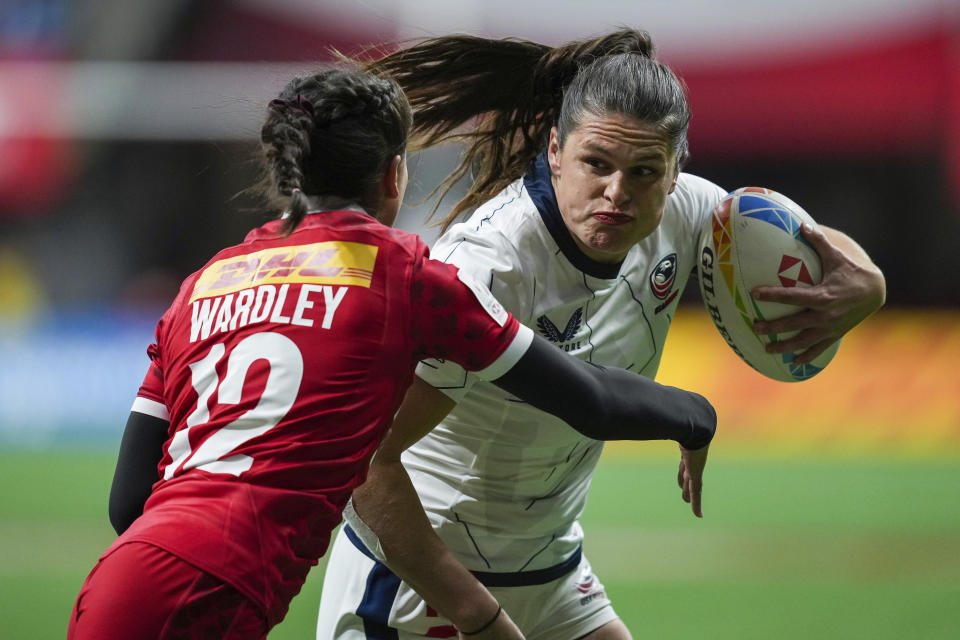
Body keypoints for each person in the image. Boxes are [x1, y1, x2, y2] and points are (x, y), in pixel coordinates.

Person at [66, 66, 720, 640]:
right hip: (220, 596)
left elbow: (128, 504)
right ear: (394, 174)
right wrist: (693, 413)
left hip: (120, 585)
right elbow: (591, 401)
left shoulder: (205, 281)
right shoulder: (407, 278)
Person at [316, 30, 886, 639]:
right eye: (596, 164)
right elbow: (365, 462)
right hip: (420, 583)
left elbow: (802, 240)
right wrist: (479, 617)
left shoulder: (690, 211)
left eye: (644, 172)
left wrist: (868, 284)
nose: (617, 193)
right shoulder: (491, 265)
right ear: (556, 150)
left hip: (553, 571)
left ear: (675, 174)